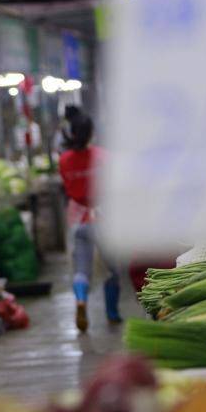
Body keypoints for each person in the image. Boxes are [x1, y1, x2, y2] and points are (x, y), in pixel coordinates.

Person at [58, 106, 120, 332]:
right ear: (91, 132)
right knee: (111, 270)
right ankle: (112, 313)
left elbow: (67, 188)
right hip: (103, 218)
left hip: (78, 220)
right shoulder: (104, 156)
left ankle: (81, 300)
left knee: (81, 269)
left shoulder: (64, 160)